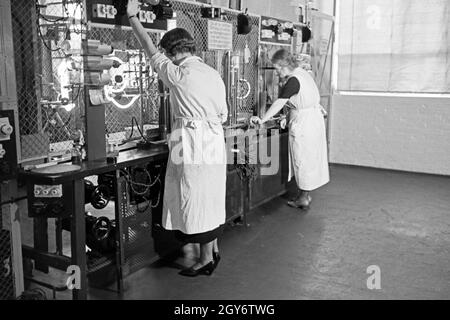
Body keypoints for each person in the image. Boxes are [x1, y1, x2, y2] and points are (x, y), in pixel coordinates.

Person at [127, 0, 228, 276]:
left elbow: (148, 47)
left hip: (193, 143)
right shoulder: (213, 73)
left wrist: (133, 18)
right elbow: (224, 114)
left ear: (171, 52)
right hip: (214, 140)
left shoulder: (178, 73)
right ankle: (214, 250)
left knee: (195, 197)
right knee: (210, 197)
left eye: (167, 54)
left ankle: (206, 259)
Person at [250, 49, 329, 210]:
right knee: (308, 158)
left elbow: (280, 102)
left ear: (282, 65)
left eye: (277, 68)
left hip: (304, 123)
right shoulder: (303, 74)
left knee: (302, 159)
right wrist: (287, 117)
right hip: (312, 120)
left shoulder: (293, 80)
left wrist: (263, 119)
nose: (277, 72)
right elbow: (300, 99)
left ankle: (303, 197)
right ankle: (304, 194)